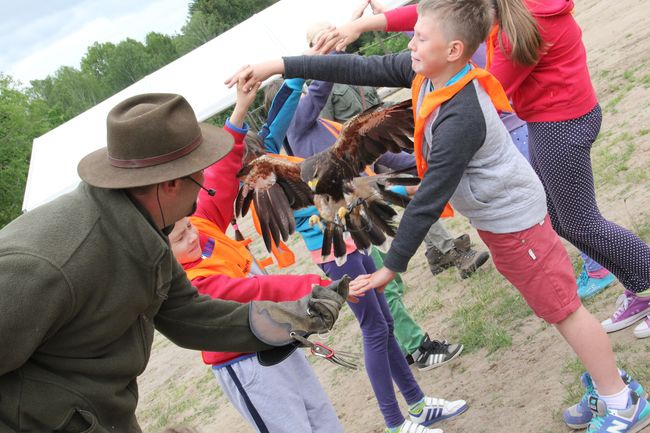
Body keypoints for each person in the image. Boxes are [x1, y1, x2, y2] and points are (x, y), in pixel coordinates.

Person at [225, 0, 650, 432]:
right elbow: (357, 69)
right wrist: (275, 65)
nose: (410, 43)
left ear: (453, 50)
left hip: (517, 225)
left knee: (566, 311)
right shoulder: (426, 74)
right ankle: (606, 384)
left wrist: (391, 266)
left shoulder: (460, 113)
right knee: (555, 308)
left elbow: (430, 198)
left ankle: (620, 398)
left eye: (420, 37)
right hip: (500, 223)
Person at [0, 93, 349, 431]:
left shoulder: (145, 231)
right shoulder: (50, 264)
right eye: (200, 180)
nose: (203, 193)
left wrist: (292, 315)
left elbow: (190, 316)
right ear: (169, 184)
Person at [314, 0, 620, 301]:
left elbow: (474, 90)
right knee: (561, 213)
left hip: (520, 127)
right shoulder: (489, 21)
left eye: (424, 36)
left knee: (571, 218)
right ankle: (601, 269)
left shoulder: (501, 36)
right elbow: (424, 24)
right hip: (525, 123)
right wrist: (367, 24)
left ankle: (600, 270)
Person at [255, 75, 468, 433]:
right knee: (373, 328)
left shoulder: (308, 148)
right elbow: (296, 209)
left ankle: (417, 405)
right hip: (337, 251)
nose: (308, 97)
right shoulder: (285, 163)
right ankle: (394, 423)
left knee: (384, 324)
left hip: (354, 234)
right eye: (300, 95)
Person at [169, 78, 343, 433]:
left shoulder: (200, 225)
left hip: (276, 337)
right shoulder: (192, 282)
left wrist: (239, 111)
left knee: (322, 419)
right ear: (161, 249)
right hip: (247, 362)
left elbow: (220, 175)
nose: (192, 234)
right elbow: (253, 292)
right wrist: (316, 285)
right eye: (180, 236)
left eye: (189, 225)